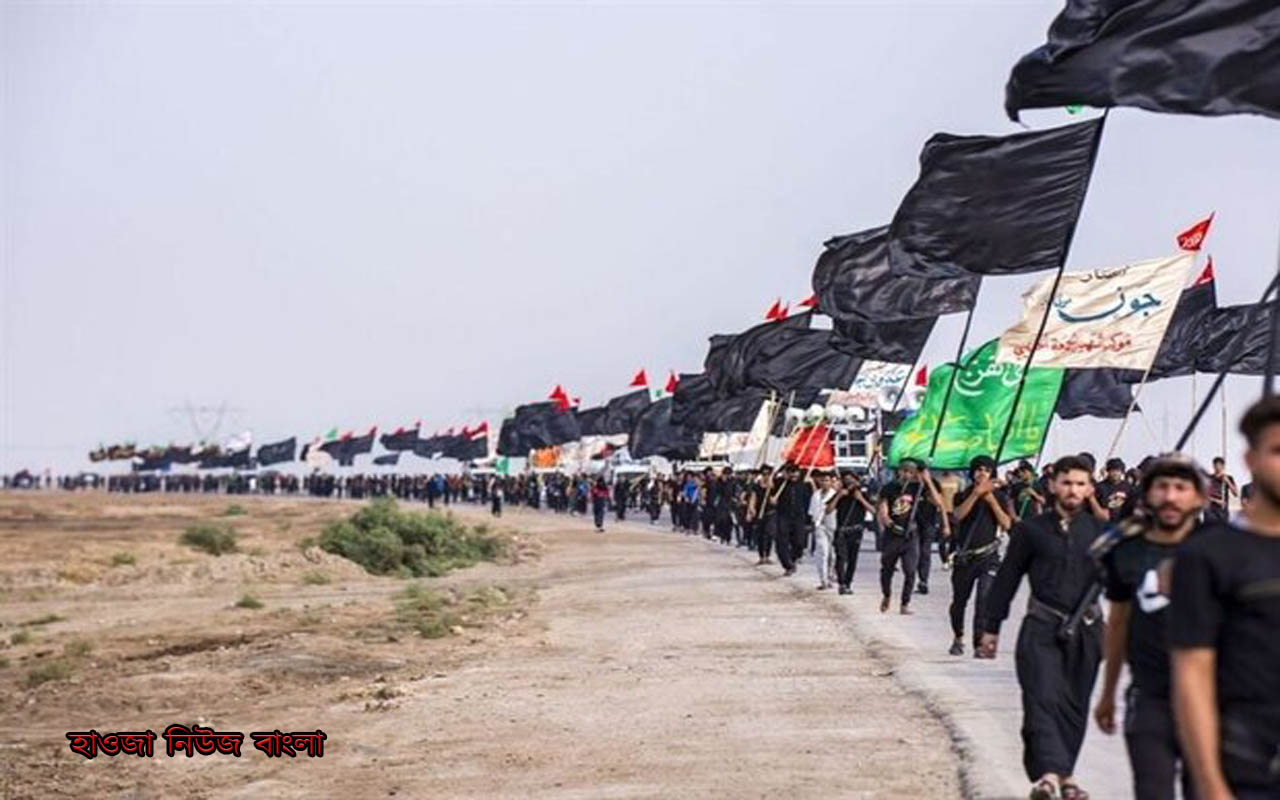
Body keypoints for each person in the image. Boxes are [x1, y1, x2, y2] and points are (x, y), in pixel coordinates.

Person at [1171, 398, 1280, 800]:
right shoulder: (1207, 556)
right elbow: (1192, 675)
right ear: (1250, 460)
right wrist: (1212, 785)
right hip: (1242, 762)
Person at [979, 455, 1105, 800]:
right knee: (1042, 699)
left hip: (1088, 632)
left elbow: (1125, 581)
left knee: (1074, 705)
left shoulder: (1101, 533)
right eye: (1067, 482)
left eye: (1081, 484)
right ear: (1052, 485)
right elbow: (1007, 577)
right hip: (1041, 628)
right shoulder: (1031, 531)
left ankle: (1066, 776)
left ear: (1090, 488)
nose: (1073, 490)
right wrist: (991, 627)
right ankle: (1048, 776)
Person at [1093, 455, 1206, 800]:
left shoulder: (1219, 548)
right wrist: (1109, 693)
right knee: (1152, 790)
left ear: (1199, 497)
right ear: (1147, 496)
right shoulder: (1127, 551)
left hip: (1208, 700)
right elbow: (1118, 625)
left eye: (1181, 487)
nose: (1171, 497)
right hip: (1150, 697)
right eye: (1162, 487)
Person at [947, 455, 1012, 657]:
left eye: (986, 469)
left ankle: (979, 644)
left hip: (989, 556)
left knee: (984, 598)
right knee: (959, 601)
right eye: (978, 469)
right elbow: (957, 516)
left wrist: (991, 499)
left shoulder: (1000, 496)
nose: (982, 473)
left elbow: (1006, 524)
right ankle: (958, 637)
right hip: (966, 557)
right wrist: (975, 495)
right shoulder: (963, 494)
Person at [877, 459, 948, 614]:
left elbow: (938, 502)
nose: (907, 475)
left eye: (911, 472)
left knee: (910, 571)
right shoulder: (889, 488)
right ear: (899, 471)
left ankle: (905, 603)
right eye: (905, 471)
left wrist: (928, 481)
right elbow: (883, 509)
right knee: (887, 569)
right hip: (893, 534)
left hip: (911, 535)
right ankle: (887, 595)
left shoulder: (918, 488)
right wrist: (888, 522)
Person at [833, 471, 876, 595]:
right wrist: (839, 496)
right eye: (846, 480)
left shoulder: (862, 494)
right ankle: (841, 583)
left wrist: (861, 499)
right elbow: (828, 509)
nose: (849, 483)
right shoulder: (841, 494)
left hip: (856, 531)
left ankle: (847, 583)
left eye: (851, 480)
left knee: (852, 559)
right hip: (841, 530)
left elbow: (873, 510)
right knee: (840, 557)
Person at [808, 472, 839, 590]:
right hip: (820, 526)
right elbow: (812, 512)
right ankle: (823, 580)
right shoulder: (815, 495)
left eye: (827, 480)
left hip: (833, 526)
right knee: (822, 553)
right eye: (822, 480)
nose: (824, 483)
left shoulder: (835, 495)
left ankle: (831, 576)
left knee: (832, 555)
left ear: (831, 482)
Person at [1092, 457, 1136, 524]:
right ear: (1108, 471)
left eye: (1118, 471)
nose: (1115, 473)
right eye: (1113, 470)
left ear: (1122, 472)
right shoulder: (1100, 487)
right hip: (1103, 523)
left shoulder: (1128, 488)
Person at [1204, 456, 1238, 523]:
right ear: (1213, 466)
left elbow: (1235, 494)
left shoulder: (1228, 478)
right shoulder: (1208, 478)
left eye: (1219, 465)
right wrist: (1215, 500)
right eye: (1216, 465)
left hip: (1222, 510)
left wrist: (1228, 482)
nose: (1217, 467)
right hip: (1210, 510)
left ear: (1223, 466)